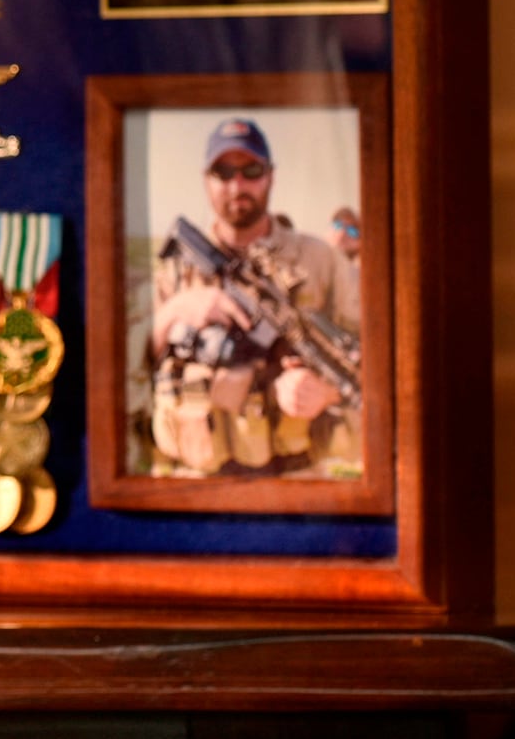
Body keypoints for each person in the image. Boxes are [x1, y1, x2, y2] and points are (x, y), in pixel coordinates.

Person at [145, 117, 361, 476]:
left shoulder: (321, 260)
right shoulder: (174, 273)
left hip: (296, 479)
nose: (237, 185)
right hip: (194, 479)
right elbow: (131, 367)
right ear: (206, 179)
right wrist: (177, 310)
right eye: (224, 172)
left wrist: (326, 393)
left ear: (270, 177)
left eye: (252, 170)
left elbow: (374, 365)